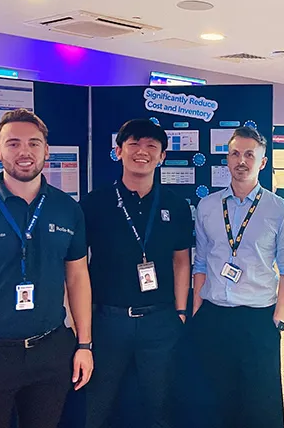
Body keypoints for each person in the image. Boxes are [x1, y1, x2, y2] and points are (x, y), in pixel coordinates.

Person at [0, 108, 93, 428]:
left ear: (46, 151)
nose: (24, 152)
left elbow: (78, 277)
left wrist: (84, 344)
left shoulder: (67, 209)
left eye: (34, 143)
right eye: (13, 144)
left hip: (51, 351)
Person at [80, 119, 192, 428]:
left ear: (162, 157)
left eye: (151, 147)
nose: (142, 152)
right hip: (107, 321)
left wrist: (180, 312)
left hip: (160, 321)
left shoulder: (175, 205)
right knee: (98, 404)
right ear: (118, 151)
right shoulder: (94, 203)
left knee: (161, 404)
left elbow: (181, 260)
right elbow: (75, 266)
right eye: (133, 145)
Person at [191, 126, 284, 428]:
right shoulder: (208, 206)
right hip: (213, 315)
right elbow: (200, 262)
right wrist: (198, 309)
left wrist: (279, 318)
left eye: (249, 155)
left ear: (262, 163)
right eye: (235, 153)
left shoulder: (281, 210)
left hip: (258, 318)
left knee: (258, 403)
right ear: (227, 158)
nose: (242, 161)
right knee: (213, 398)